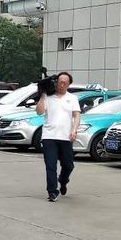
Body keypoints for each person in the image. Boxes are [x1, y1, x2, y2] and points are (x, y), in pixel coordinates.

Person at [36, 72, 80, 202]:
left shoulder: (72, 98)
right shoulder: (48, 97)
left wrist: (74, 130)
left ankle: (63, 180)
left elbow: (76, 115)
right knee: (50, 165)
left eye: (64, 83)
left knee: (68, 165)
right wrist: (43, 95)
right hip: (49, 136)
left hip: (66, 137)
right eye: (59, 82)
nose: (61, 85)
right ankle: (52, 191)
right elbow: (39, 112)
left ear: (69, 84)